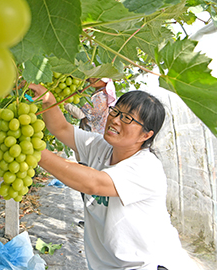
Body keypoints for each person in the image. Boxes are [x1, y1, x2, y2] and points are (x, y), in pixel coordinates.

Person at [28, 83, 200, 270]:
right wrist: (48, 99)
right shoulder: (99, 146)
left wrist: (33, 150)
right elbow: (61, 129)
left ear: (146, 135)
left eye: (127, 118)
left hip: (149, 265)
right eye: (115, 111)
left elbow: (93, 183)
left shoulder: (147, 167)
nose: (116, 120)